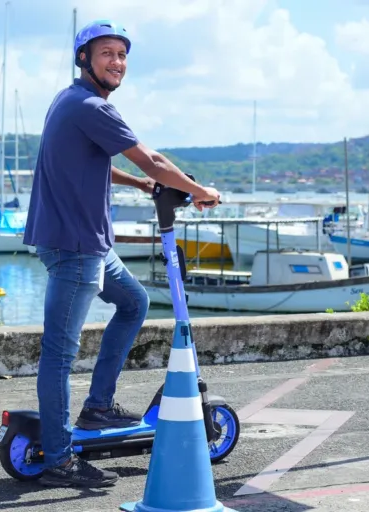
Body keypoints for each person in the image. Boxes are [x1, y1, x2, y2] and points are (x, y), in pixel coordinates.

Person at [22, 19, 221, 488]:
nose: (117, 62)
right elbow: (151, 158)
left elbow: (103, 163)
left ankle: (98, 408)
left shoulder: (70, 101)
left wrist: (145, 184)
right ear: (84, 59)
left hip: (86, 243)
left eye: (122, 54)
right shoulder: (93, 107)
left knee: (134, 303)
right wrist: (199, 190)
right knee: (59, 352)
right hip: (76, 248)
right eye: (107, 53)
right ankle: (58, 458)